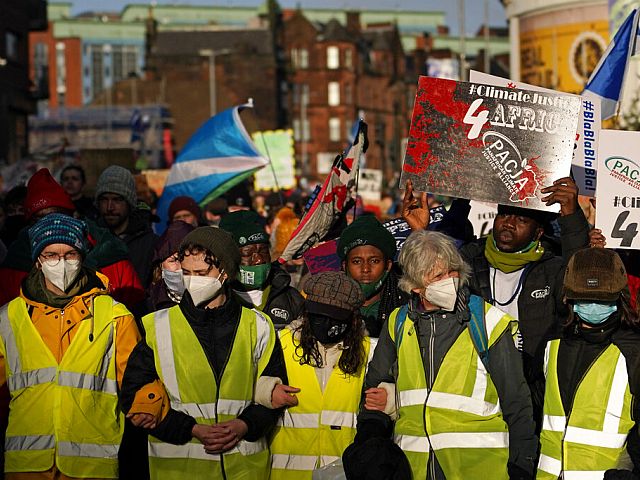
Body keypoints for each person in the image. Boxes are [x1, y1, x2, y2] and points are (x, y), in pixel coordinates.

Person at [352, 230, 538, 480]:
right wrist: (372, 437)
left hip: (479, 469)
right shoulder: (398, 322)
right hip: (413, 468)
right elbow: (373, 393)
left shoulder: (487, 321)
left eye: (453, 271)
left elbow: (517, 402)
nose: (450, 279)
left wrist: (521, 466)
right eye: (439, 275)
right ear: (416, 286)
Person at [120, 226, 286, 480]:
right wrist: (192, 429)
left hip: (244, 470)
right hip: (178, 470)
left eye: (202, 273)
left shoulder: (258, 326)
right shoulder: (155, 325)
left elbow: (271, 394)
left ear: (226, 273)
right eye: (187, 273)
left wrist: (245, 425)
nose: (192, 280)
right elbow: (134, 393)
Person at [0, 213, 141, 479]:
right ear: (38, 261)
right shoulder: (9, 317)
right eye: (51, 255)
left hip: (90, 465)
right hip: (27, 465)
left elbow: (138, 377)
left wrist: (148, 407)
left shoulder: (114, 315)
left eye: (70, 254)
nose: (61, 263)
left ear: (82, 257)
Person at [537, 247, 640, 479]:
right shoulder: (553, 342)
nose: (593, 306)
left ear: (620, 298)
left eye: (602, 299)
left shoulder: (633, 350)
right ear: (568, 298)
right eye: (585, 298)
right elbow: (536, 406)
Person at [267, 272, 374, 479]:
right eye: (318, 315)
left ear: (351, 318)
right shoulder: (282, 343)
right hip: (287, 473)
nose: (324, 323)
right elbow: (247, 383)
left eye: (334, 317)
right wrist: (266, 391)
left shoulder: (369, 352)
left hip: (342, 472)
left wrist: (387, 398)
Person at [0, 168, 144, 308]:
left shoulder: (111, 255)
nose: (50, 226)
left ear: (73, 217)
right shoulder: (15, 265)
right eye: (40, 220)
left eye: (57, 217)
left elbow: (134, 311)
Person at [220, 210, 304, 329]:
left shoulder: (291, 299)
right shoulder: (219, 300)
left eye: (263, 251)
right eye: (248, 253)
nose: (259, 260)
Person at [336, 215, 406, 337]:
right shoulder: (330, 305)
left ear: (388, 265)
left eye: (374, 261)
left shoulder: (405, 307)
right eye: (356, 261)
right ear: (344, 265)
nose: (365, 269)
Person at [95, 165, 159, 287]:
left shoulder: (150, 244)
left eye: (117, 200)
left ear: (129, 202)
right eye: (104, 200)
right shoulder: (89, 240)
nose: (110, 207)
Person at [145, 221, 194, 312]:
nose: (181, 267)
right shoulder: (148, 304)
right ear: (161, 266)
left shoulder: (213, 299)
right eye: (174, 260)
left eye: (187, 259)